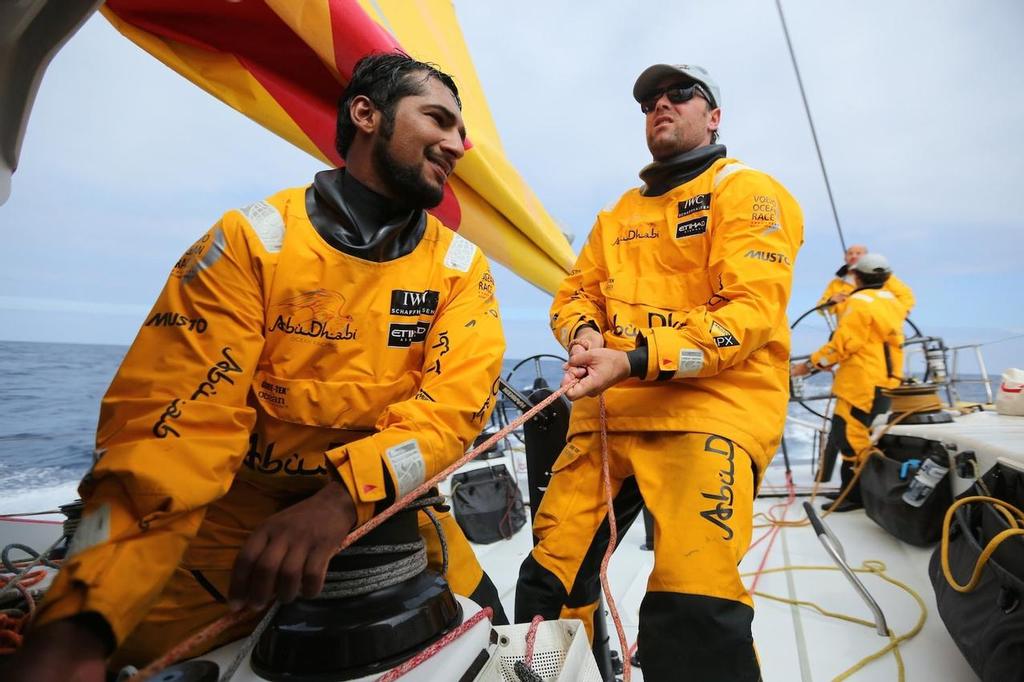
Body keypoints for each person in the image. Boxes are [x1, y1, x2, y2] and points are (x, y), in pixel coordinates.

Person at [5, 53, 508, 681]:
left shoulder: (460, 270)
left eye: (461, 131)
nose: (458, 144)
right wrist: (77, 625)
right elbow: (171, 433)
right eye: (438, 119)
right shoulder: (250, 243)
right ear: (366, 115)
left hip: (388, 517)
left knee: (492, 627)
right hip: (223, 547)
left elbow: (450, 414)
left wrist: (340, 501)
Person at [515, 63, 803, 681]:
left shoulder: (748, 193)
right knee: (544, 589)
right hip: (606, 420)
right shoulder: (615, 216)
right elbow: (573, 297)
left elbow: (748, 314)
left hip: (707, 416)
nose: (661, 105)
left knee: (693, 609)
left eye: (680, 95)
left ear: (714, 116)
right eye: (649, 101)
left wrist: (634, 359)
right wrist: (585, 335)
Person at [794, 253, 906, 512]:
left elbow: (843, 344)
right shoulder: (893, 301)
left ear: (856, 277)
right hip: (887, 379)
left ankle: (856, 495)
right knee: (864, 434)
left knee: (851, 437)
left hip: (862, 380)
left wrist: (808, 366)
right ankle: (857, 492)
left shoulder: (859, 303)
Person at [818, 243, 915, 321]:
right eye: (850, 253)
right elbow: (821, 309)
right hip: (849, 335)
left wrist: (898, 315)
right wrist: (830, 302)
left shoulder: (883, 277)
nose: (854, 256)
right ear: (845, 257)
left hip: (882, 333)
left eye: (858, 253)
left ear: (867, 257)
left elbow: (906, 296)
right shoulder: (836, 283)